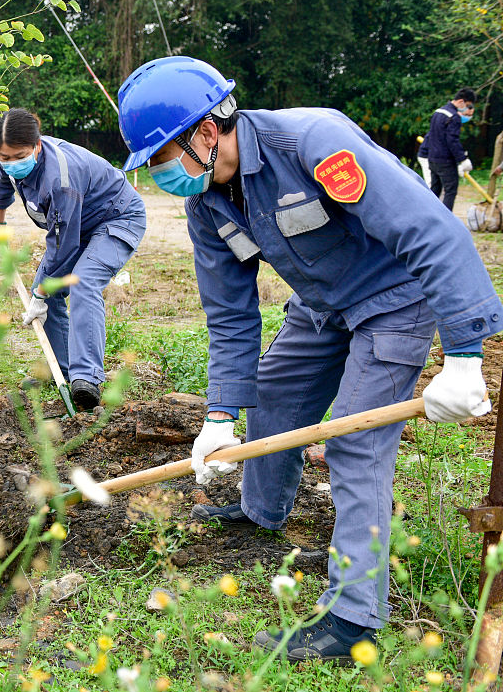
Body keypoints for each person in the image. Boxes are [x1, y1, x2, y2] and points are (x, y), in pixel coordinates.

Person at [117, 56, 501, 662]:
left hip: (394, 300)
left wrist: (463, 353)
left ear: (206, 132)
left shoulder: (312, 143)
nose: (163, 177)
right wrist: (219, 416)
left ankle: (352, 619)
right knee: (271, 396)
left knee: (354, 442)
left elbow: (433, 232)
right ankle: (261, 512)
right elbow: (230, 313)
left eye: (163, 161)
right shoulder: (207, 203)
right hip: (323, 305)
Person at [0, 109, 146, 409]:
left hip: (117, 218)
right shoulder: (9, 160)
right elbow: (2, 185)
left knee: (81, 283)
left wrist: (41, 292)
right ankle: (63, 369)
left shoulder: (59, 178)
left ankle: (87, 379)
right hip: (77, 222)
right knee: (48, 291)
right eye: (4, 157)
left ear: (37, 146)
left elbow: (63, 245)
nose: (11, 163)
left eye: (18, 156)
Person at [417, 87, 477, 210]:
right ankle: (446, 222)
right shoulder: (453, 117)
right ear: (461, 102)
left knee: (434, 191)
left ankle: (429, 216)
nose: (467, 109)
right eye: (468, 106)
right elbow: (452, 141)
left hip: (432, 159)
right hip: (445, 162)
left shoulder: (438, 112)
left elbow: (432, 136)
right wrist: (463, 159)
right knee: (450, 191)